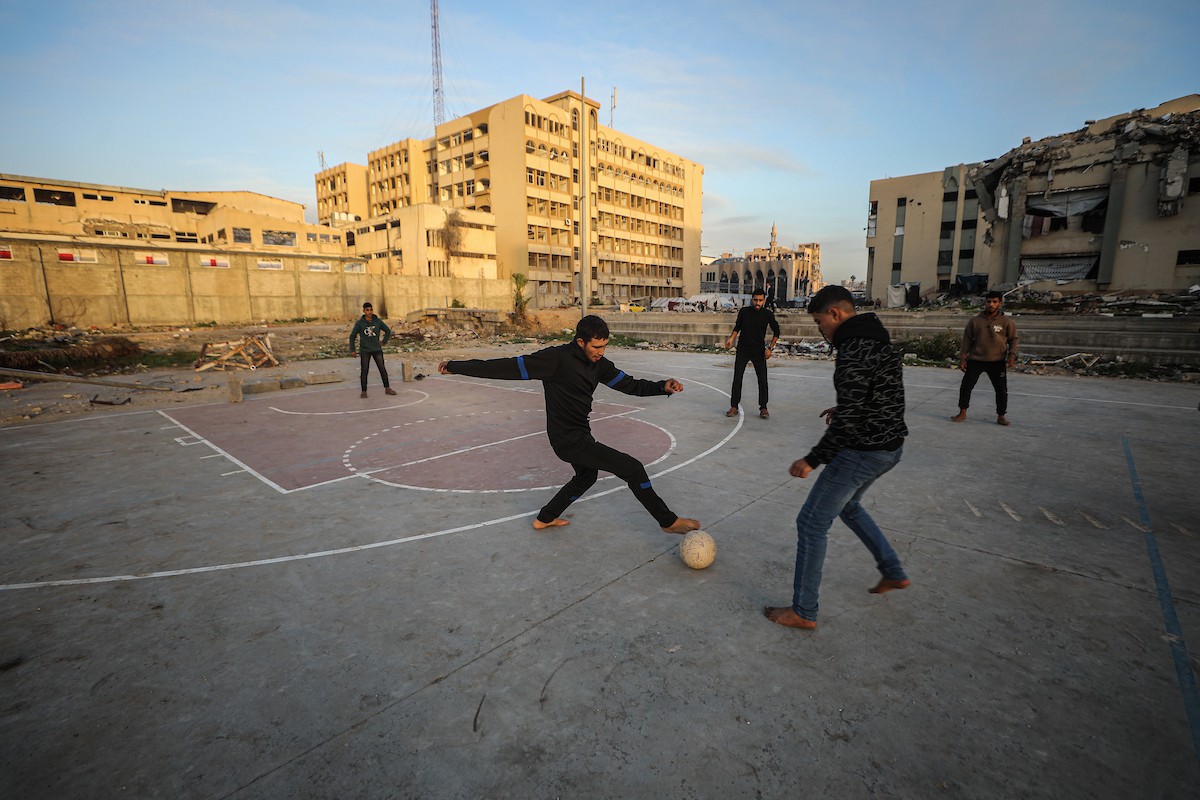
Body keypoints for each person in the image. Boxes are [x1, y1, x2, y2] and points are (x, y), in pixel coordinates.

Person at [438, 315, 700, 535]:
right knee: (633, 468)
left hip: (580, 435)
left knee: (586, 475)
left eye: (605, 346)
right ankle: (667, 522)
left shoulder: (601, 365)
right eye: (596, 347)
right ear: (580, 342)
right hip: (567, 440)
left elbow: (630, 385)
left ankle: (545, 518)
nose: (601, 352)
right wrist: (456, 366)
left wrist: (661, 386)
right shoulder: (555, 360)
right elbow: (505, 367)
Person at [764, 285, 910, 631]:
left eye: (819, 322)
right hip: (891, 446)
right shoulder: (874, 336)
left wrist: (813, 459)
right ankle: (892, 570)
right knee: (849, 507)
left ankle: (804, 610)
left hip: (863, 450)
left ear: (835, 314)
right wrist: (845, 406)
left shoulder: (854, 347)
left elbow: (850, 420)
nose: (820, 330)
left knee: (811, 523)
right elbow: (876, 392)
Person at [951, 290, 1019, 426]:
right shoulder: (975, 321)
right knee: (966, 387)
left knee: (1001, 390)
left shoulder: (1006, 322)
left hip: (997, 361)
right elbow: (967, 341)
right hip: (976, 360)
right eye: (989, 301)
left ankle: (1001, 415)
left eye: (994, 302)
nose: (991, 304)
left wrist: (1012, 356)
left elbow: (1013, 339)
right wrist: (963, 358)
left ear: (1000, 303)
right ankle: (962, 412)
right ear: (985, 302)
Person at [725, 289, 780, 419]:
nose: (757, 303)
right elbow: (737, 327)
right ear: (752, 299)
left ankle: (763, 407)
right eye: (755, 300)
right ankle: (734, 406)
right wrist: (731, 339)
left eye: (760, 300)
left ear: (764, 301)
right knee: (737, 379)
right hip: (743, 349)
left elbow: (777, 332)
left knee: (762, 380)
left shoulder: (767, 314)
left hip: (759, 351)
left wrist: (770, 348)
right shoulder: (744, 312)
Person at [349, 302, 397, 399]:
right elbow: (352, 336)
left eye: (371, 310)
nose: (369, 312)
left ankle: (387, 388)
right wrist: (352, 350)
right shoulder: (360, 323)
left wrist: (383, 341)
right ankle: (364, 391)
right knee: (364, 371)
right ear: (363, 311)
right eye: (367, 310)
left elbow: (387, 331)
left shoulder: (377, 321)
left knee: (382, 369)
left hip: (376, 349)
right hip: (365, 350)